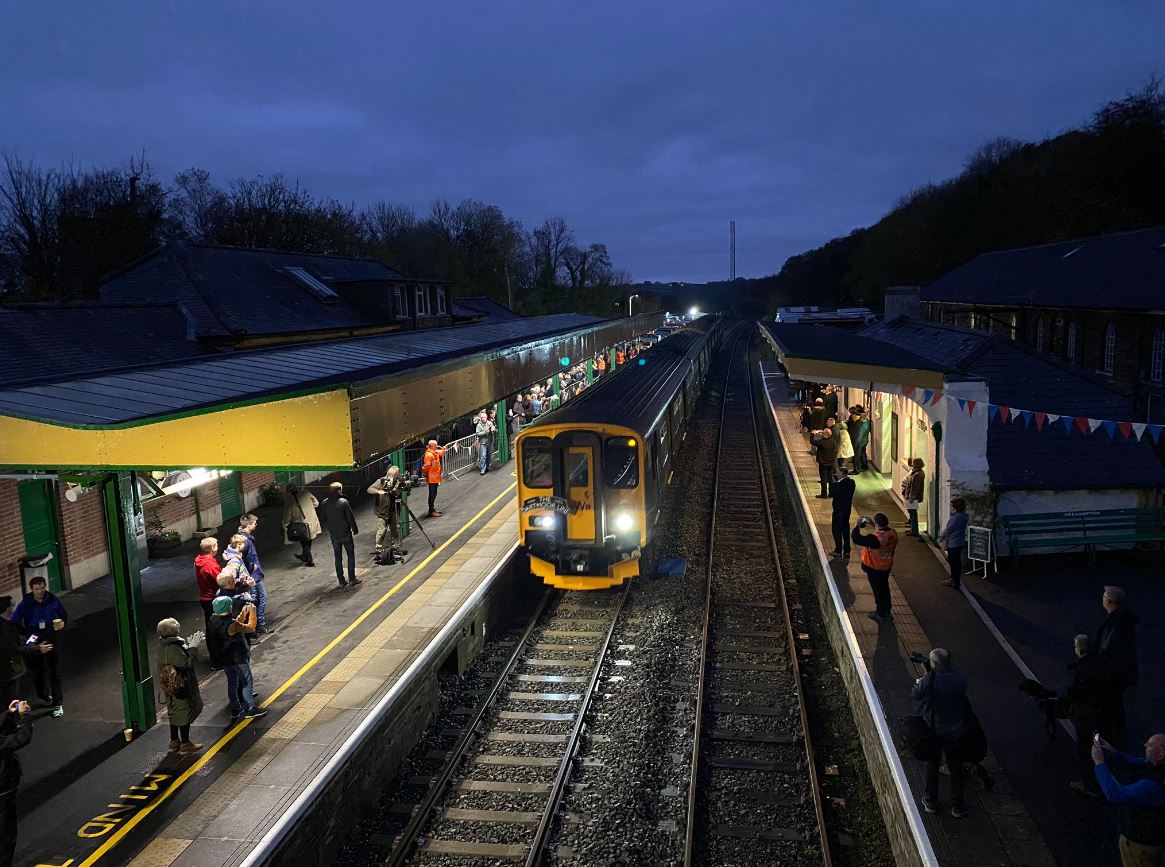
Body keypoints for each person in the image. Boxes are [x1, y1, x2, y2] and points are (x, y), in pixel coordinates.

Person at [912, 648, 971, 818]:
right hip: (955, 729)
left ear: (934, 664)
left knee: (932, 765)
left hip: (934, 728)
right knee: (955, 768)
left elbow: (915, 694)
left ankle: (930, 801)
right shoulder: (960, 678)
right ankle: (958, 806)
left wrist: (926, 675)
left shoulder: (931, 680)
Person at [1065, 634, 1125, 797]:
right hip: (1106, 714)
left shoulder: (1081, 672)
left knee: (1085, 752)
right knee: (1101, 743)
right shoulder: (1106, 664)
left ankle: (1090, 785)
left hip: (1088, 718)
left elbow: (1074, 694)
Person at [1091, 732, 1165, 865]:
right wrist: (1114, 752)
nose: (1145, 745)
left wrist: (1099, 762)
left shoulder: (1151, 786)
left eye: (1150, 745)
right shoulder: (1159, 767)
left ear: (1160, 755)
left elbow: (1114, 794)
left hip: (1141, 843)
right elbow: (1140, 762)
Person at [205, 597, 266, 724]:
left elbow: (235, 626)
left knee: (232, 682)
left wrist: (243, 613)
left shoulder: (213, 620)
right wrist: (252, 612)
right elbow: (250, 628)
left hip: (225, 658)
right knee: (246, 681)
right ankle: (249, 708)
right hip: (237, 657)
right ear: (228, 608)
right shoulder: (231, 624)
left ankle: (235, 708)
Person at [12, 577, 67, 718]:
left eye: (42, 588)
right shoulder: (26, 603)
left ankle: (57, 703)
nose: (40, 591)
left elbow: (63, 615)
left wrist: (61, 625)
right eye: (37, 589)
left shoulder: (53, 600)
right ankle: (43, 694)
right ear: (32, 589)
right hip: (34, 638)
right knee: (36, 670)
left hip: (50, 637)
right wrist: (25, 634)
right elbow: (15, 621)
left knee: (54, 670)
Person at [155, 618, 203, 754]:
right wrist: (193, 649)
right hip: (180, 687)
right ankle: (186, 744)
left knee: (173, 712)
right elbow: (186, 664)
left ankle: (174, 741)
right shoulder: (173, 648)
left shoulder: (163, 646)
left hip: (169, 687)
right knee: (183, 712)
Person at [0, 599, 50, 710]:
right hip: (11, 670)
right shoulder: (3, 630)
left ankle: (17, 711)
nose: (14, 605)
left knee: (20, 689)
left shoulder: (11, 621)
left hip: (18, 665)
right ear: (6, 609)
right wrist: (36, 648)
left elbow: (20, 637)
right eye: (11, 604)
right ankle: (13, 718)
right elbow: (14, 648)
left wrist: (29, 640)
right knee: (11, 695)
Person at [0, 698, 32, 866]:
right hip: (3, 791)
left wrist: (7, 714)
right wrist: (24, 715)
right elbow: (22, 738)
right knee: (6, 834)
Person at [852, 513, 897, 623]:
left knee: (878, 591)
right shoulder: (892, 533)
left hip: (875, 568)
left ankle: (880, 613)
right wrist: (873, 524)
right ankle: (887, 610)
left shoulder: (874, 539)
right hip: (886, 566)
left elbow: (857, 539)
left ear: (877, 524)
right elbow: (881, 534)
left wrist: (857, 526)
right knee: (884, 589)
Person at [320, 482, 360, 587]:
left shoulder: (324, 503)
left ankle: (341, 581)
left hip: (334, 534)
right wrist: (354, 529)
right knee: (350, 555)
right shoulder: (343, 502)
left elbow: (323, 518)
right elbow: (350, 518)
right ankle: (352, 579)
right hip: (345, 533)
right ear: (339, 490)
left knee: (338, 557)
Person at [235, 515, 270, 634]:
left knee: (256, 598)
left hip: (252, 574)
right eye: (254, 523)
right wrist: (252, 568)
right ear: (248, 525)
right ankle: (259, 623)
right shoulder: (245, 541)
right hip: (252, 575)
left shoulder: (243, 538)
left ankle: (256, 624)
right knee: (259, 598)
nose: (256, 525)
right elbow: (244, 559)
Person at [367, 467, 407, 565]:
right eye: (391, 475)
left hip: (393, 510)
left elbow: (405, 491)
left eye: (394, 475)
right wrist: (378, 491)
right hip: (382, 511)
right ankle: (379, 550)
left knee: (395, 530)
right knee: (382, 531)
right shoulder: (381, 481)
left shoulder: (398, 482)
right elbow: (370, 489)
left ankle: (396, 547)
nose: (392, 477)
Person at [282, 485, 321, 567]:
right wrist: (309, 508)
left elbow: (287, 514)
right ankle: (304, 556)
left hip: (300, 523)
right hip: (312, 520)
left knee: (304, 542)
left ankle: (310, 561)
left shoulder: (289, 499)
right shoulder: (306, 493)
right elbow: (316, 503)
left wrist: (285, 524)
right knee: (309, 539)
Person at [936, 498, 970, 589]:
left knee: (953, 562)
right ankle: (956, 579)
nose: (950, 507)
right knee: (957, 562)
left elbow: (948, 530)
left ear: (955, 507)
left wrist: (940, 539)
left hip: (953, 542)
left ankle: (954, 580)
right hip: (960, 541)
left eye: (951, 506)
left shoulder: (954, 519)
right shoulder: (965, 516)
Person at [423, 439, 458, 518]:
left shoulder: (434, 452)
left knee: (434, 494)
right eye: (436, 445)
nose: (437, 446)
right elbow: (426, 466)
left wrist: (444, 449)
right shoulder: (429, 455)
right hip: (432, 478)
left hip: (435, 478)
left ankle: (432, 510)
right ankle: (431, 511)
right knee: (432, 494)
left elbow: (441, 453)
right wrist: (425, 474)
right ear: (433, 446)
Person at [194, 538, 222, 630]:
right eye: (216, 546)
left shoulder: (199, 560)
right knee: (217, 627)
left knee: (210, 625)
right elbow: (221, 580)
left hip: (204, 597)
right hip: (213, 598)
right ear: (212, 549)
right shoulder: (210, 565)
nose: (218, 548)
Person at [829, 466, 855, 558]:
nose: (836, 474)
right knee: (846, 530)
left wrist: (833, 482)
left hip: (838, 511)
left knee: (836, 530)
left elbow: (832, 493)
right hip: (847, 511)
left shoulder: (839, 484)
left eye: (837, 473)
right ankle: (847, 551)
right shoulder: (851, 482)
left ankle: (838, 550)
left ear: (842, 474)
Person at [811, 427, 839, 498]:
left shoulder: (822, 442)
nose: (822, 434)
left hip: (823, 464)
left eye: (823, 433)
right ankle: (831, 493)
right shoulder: (833, 441)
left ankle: (824, 494)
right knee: (830, 479)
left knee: (823, 479)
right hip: (831, 463)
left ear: (825, 435)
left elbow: (813, 442)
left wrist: (812, 434)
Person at [902, 458, 925, 536]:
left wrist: (911, 497)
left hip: (913, 497)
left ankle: (914, 531)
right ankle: (912, 529)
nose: (912, 464)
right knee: (912, 512)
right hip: (911, 496)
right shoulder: (917, 473)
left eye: (913, 463)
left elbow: (915, 487)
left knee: (913, 513)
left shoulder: (917, 474)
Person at [848, 406, 871, 474]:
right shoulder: (866, 422)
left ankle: (856, 470)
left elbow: (858, 435)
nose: (852, 417)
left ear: (856, 415)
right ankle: (865, 466)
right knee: (863, 454)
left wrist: (855, 445)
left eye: (853, 415)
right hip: (864, 441)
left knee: (857, 456)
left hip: (858, 443)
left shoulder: (859, 424)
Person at [475, 410, 496, 475]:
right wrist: (485, 432)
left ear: (486, 418)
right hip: (483, 443)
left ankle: (487, 466)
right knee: (483, 456)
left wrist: (493, 429)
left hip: (489, 441)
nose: (483, 419)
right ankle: (483, 469)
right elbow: (477, 433)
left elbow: (493, 429)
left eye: (484, 417)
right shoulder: (479, 425)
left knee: (489, 455)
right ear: (481, 418)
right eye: (482, 418)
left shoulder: (490, 423)